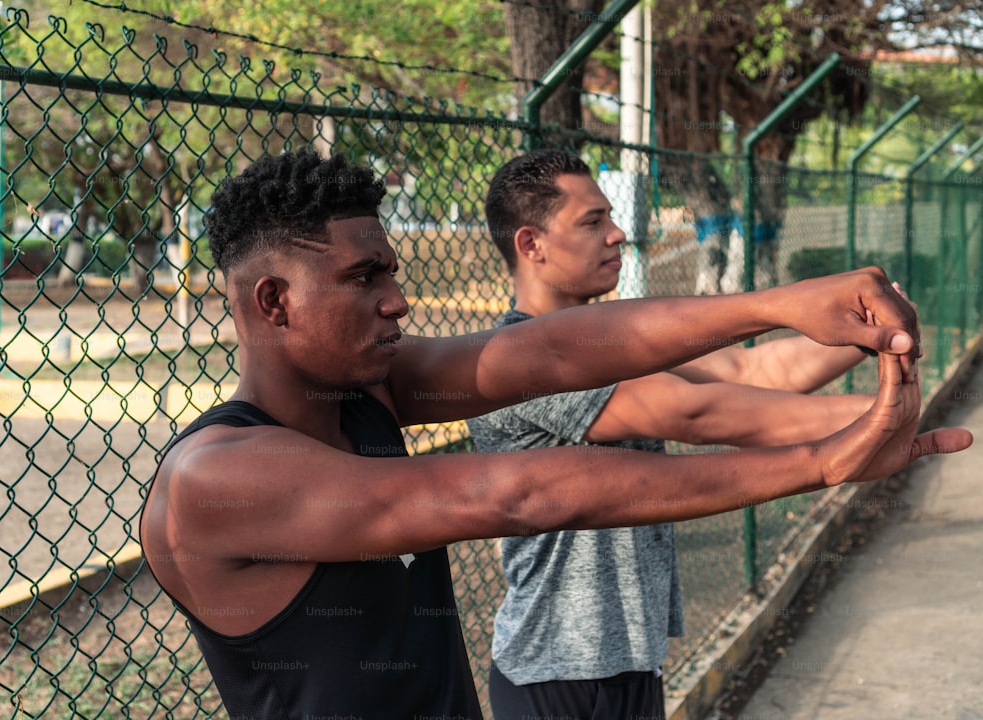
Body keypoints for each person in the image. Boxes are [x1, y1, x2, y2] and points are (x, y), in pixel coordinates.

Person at [138, 147, 970, 720]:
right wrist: (824, 460)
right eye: (364, 278)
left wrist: (778, 304)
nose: (397, 299)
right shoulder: (217, 479)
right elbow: (518, 492)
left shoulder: (371, 396)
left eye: (390, 271)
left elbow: (553, 348)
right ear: (273, 303)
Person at [468, 148, 902, 719]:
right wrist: (887, 417)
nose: (618, 234)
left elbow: (752, 371)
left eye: (610, 217)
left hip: (632, 665)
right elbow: (693, 413)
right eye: (592, 222)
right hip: (557, 674)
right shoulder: (517, 361)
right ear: (531, 244)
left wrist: (876, 331)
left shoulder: (607, 341)